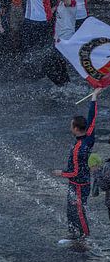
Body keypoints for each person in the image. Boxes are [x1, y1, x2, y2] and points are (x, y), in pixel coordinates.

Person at [52, 89, 101, 240]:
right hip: (80, 183)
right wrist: (94, 98)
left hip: (79, 185)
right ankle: (74, 234)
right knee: (71, 210)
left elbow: (75, 172)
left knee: (79, 211)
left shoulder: (78, 149)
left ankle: (84, 237)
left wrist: (61, 173)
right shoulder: (89, 136)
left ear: (75, 128)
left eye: (70, 125)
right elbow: (92, 118)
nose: (69, 127)